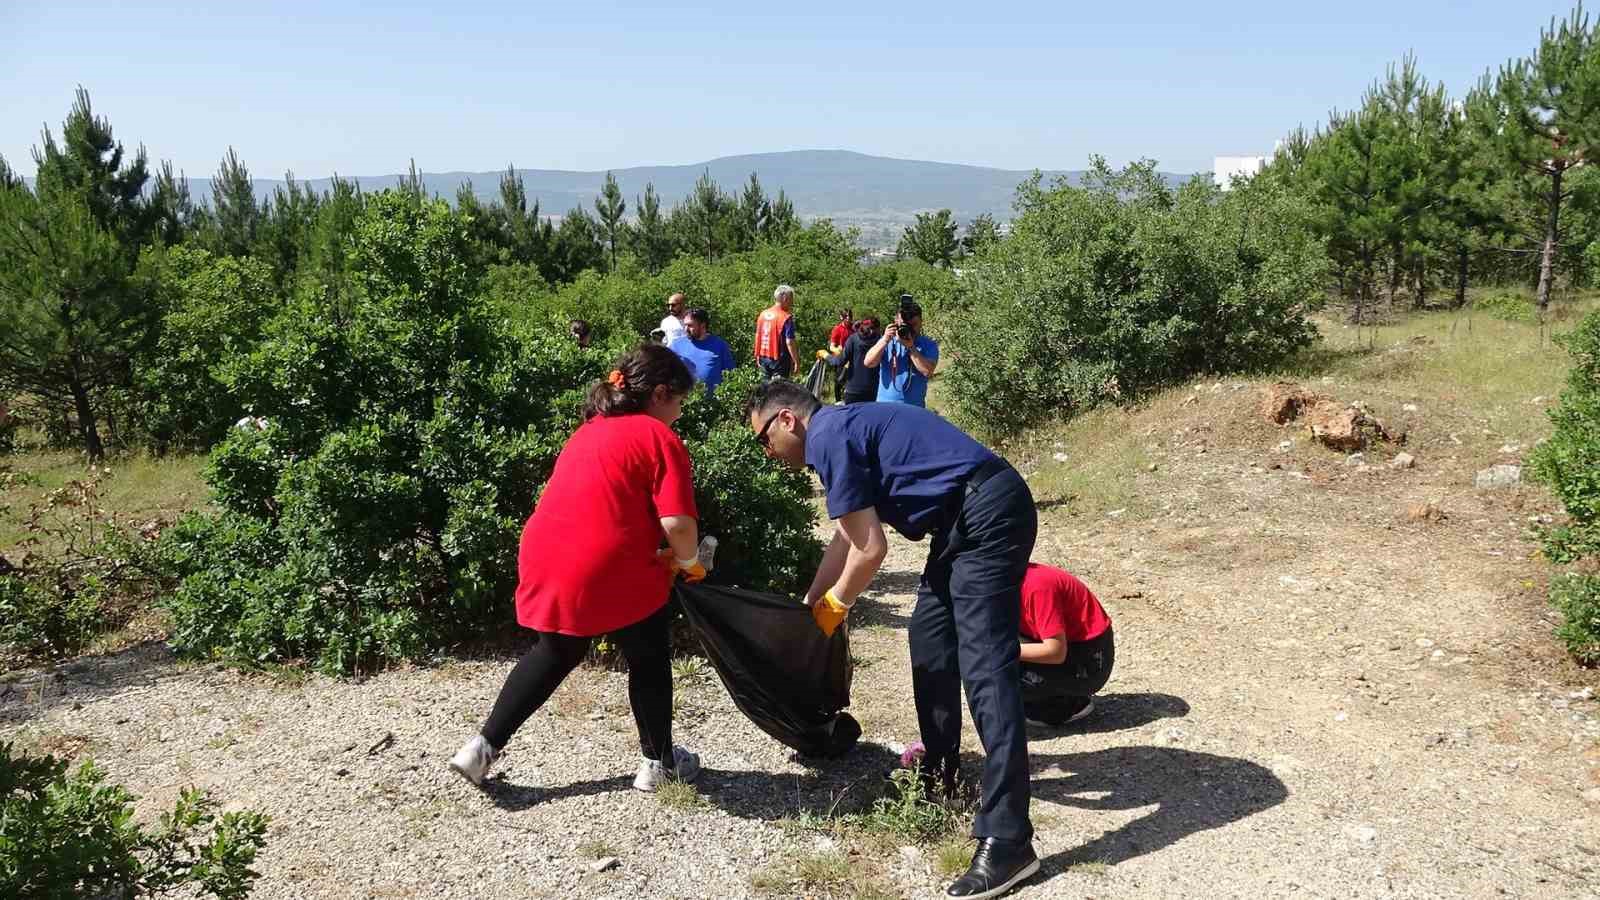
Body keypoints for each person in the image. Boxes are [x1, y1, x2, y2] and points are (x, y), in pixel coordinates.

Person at [746, 381, 1040, 900]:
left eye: (764, 439)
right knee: (929, 640)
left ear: (787, 419)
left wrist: (834, 609)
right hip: (960, 522)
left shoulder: (830, 436)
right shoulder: (838, 432)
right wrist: (811, 603)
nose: (767, 453)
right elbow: (847, 534)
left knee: (985, 669)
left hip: (987, 514)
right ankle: (942, 771)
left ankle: (1009, 838)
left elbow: (870, 550)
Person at [450, 344, 707, 794]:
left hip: (545, 552)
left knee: (556, 652)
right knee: (648, 652)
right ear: (661, 394)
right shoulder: (657, 435)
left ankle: (481, 749)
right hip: (605, 561)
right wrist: (689, 562)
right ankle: (659, 763)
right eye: (680, 403)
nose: (679, 415)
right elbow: (677, 524)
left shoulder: (589, 429)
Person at [1017, 564, 1114, 727]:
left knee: (1000, 673)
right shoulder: (1008, 580)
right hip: (1063, 646)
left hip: (1088, 660)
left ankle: (1065, 704)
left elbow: (1055, 651)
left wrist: (1003, 651)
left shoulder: (1037, 587)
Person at [863, 295, 939, 407]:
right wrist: (884, 339)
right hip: (886, 407)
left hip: (914, 408)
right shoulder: (888, 341)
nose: (911, 329)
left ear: (921, 322)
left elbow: (927, 371)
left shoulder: (929, 344)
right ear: (896, 321)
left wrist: (911, 347)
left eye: (914, 325)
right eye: (906, 325)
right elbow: (868, 363)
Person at [669, 307, 737, 397]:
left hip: (713, 405)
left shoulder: (719, 345)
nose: (686, 329)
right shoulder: (676, 345)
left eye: (690, 325)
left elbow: (731, 375)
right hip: (684, 403)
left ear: (702, 325)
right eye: (684, 325)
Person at [817, 316, 881, 405]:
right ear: (877, 329)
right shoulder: (880, 341)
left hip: (853, 389)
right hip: (873, 389)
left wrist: (826, 355)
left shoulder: (853, 339)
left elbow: (839, 361)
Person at [753, 284, 800, 380]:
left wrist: (757, 354)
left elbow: (758, 336)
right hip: (779, 361)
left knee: (765, 390)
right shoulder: (786, 317)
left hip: (763, 358)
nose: (792, 302)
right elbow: (789, 342)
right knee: (779, 392)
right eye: (791, 299)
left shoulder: (763, 314)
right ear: (784, 298)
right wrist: (796, 361)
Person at [824, 308, 854, 401]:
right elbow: (831, 347)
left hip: (852, 360)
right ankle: (837, 401)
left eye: (850, 316)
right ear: (842, 317)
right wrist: (839, 350)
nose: (848, 318)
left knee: (850, 382)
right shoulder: (837, 329)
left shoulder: (854, 328)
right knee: (838, 381)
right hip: (841, 358)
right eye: (847, 316)